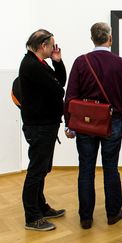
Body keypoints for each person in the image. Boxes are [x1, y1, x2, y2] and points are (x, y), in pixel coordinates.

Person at [64, 22, 122, 230]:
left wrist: (70, 124)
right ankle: (113, 213)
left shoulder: (81, 62)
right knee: (111, 168)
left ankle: (86, 218)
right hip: (112, 122)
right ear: (110, 39)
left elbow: (70, 97)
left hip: (85, 123)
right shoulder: (121, 64)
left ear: (92, 39)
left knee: (86, 169)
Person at [19, 29, 66, 231]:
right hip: (39, 127)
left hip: (45, 125)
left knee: (42, 169)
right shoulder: (31, 65)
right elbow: (59, 89)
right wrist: (57, 86)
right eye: (52, 45)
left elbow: (60, 82)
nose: (54, 48)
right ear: (42, 46)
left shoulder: (40, 64)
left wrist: (57, 61)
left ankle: (41, 207)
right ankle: (32, 217)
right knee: (36, 171)